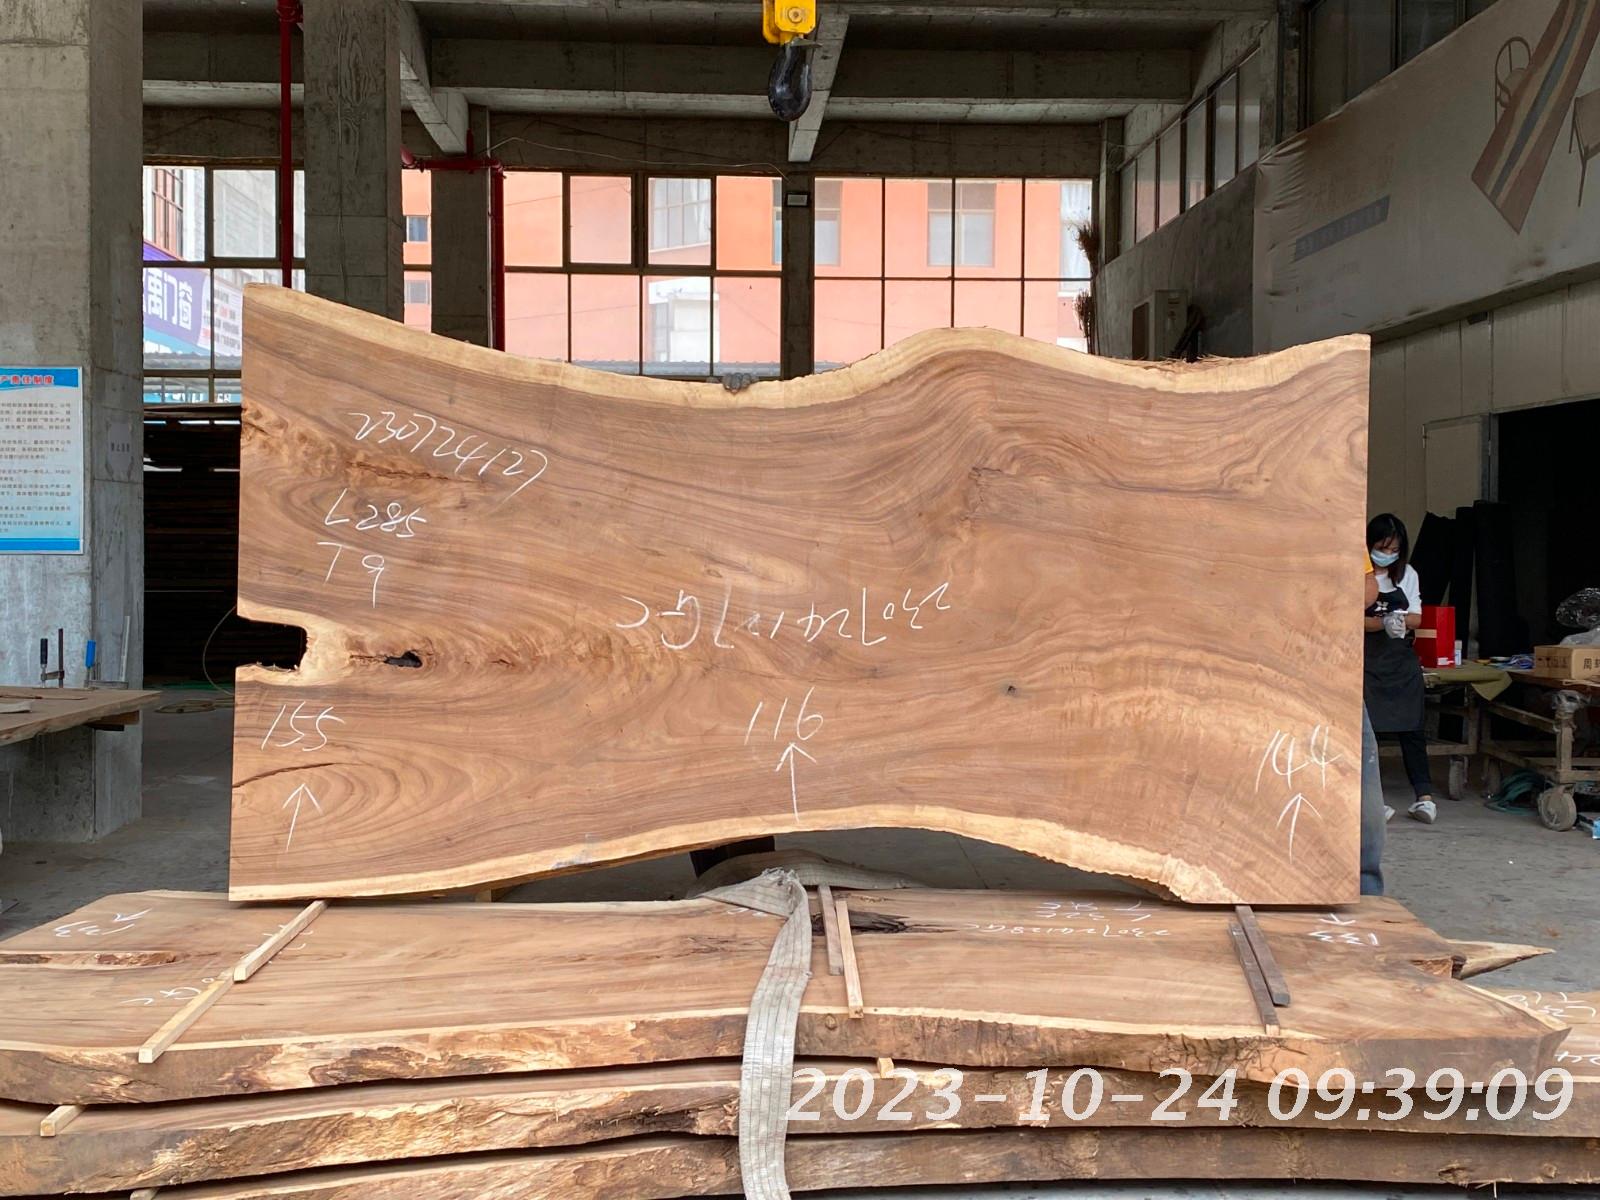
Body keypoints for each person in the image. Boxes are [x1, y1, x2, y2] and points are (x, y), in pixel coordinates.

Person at [1363, 513, 1436, 824]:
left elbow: (1417, 616)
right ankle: (1372, 800)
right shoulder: (1360, 575)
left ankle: (1424, 798)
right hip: (1366, 661)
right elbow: (1350, 618)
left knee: (1413, 728)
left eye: (1394, 549)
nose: (1388, 554)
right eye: (1382, 548)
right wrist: (1381, 624)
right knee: (1368, 733)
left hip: (1400, 660)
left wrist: (1399, 620)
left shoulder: (1408, 574)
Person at [1359, 554, 1385, 895]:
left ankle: (1367, 892)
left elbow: (1368, 586)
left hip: (1329, 667)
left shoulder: (1334, 528)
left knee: (1364, 795)